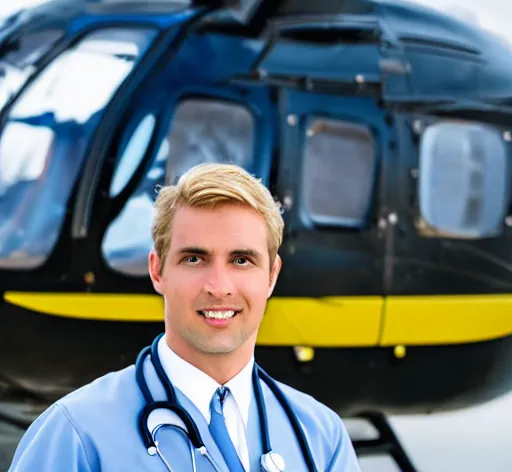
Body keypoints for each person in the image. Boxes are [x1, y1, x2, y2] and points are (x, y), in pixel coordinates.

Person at [9, 163, 361, 472]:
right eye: (194, 259)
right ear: (157, 270)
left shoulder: (319, 438)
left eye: (242, 260)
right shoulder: (77, 436)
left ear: (271, 276)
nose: (219, 287)